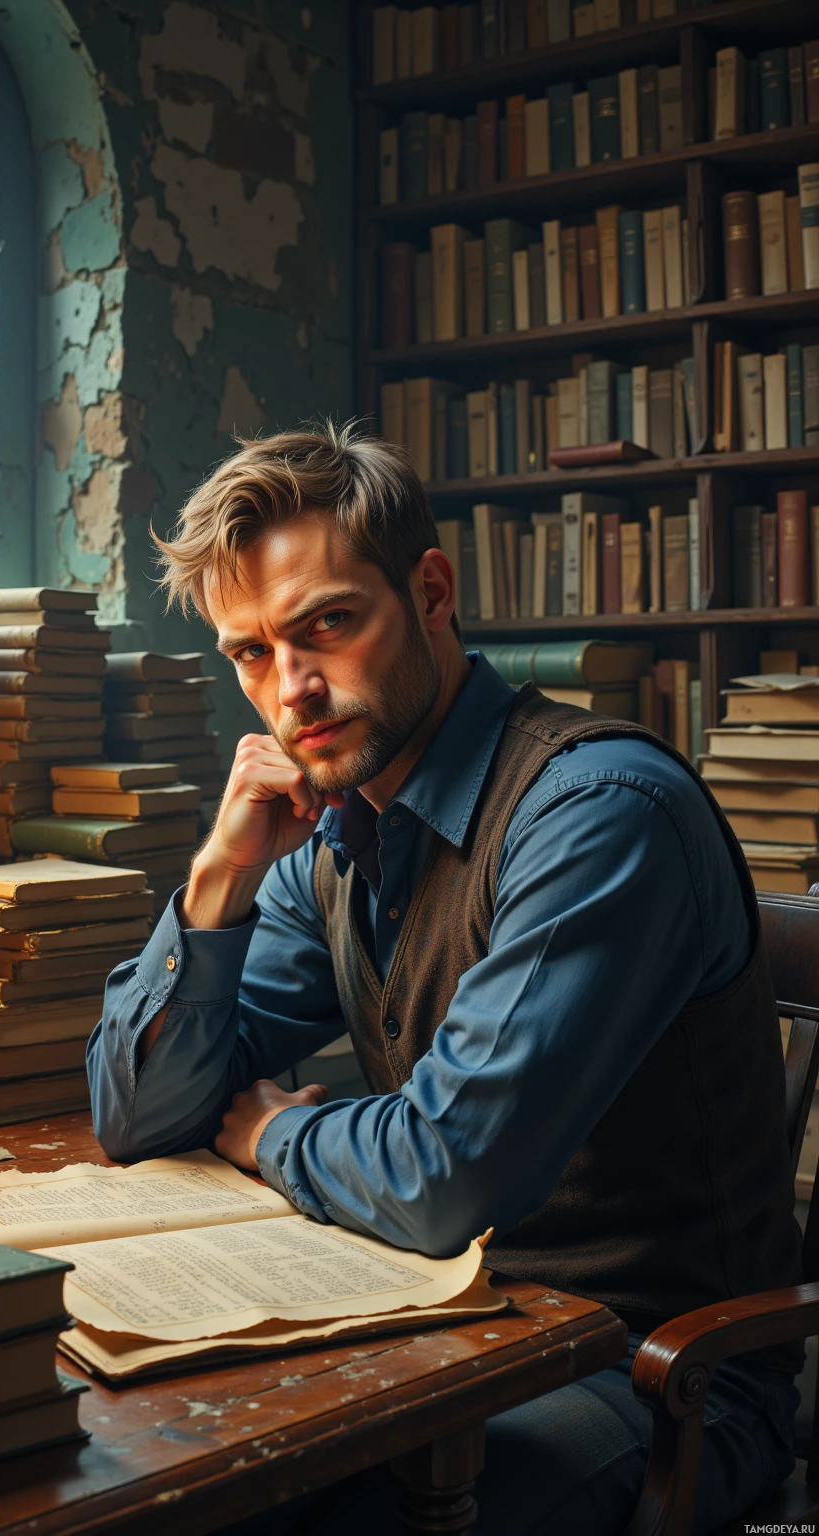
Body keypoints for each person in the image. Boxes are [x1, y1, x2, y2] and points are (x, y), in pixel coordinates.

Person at [86, 423, 802, 1535]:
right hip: (433, 1328)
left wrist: (269, 1133)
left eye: (328, 624)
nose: (293, 691)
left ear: (429, 592)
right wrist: (217, 877)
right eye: (252, 653)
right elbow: (136, 1115)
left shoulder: (597, 812)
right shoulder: (326, 832)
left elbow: (444, 1173)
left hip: (651, 1376)